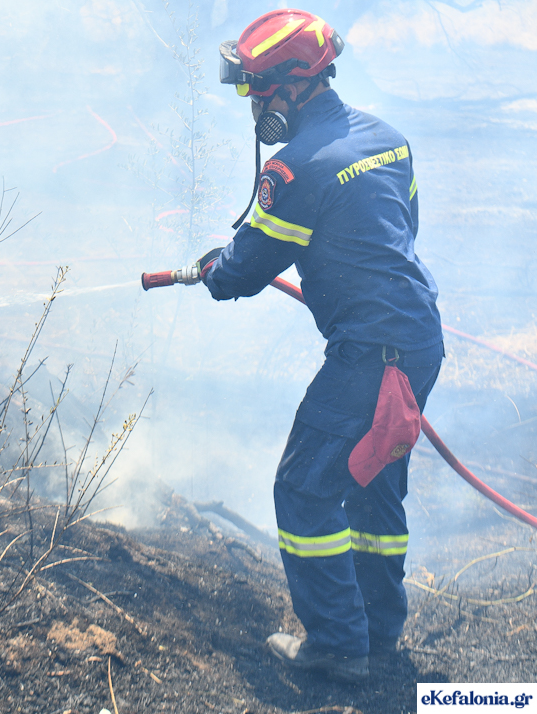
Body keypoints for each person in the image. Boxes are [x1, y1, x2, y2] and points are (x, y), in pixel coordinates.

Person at [198, 9, 443, 682]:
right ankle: (378, 632)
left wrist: (214, 267)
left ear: (293, 87)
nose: (250, 102)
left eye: (255, 88)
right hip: (420, 344)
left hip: (372, 357)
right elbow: (403, 230)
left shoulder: (295, 169)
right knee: (370, 483)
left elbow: (240, 274)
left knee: (305, 489)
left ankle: (337, 645)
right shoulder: (389, 140)